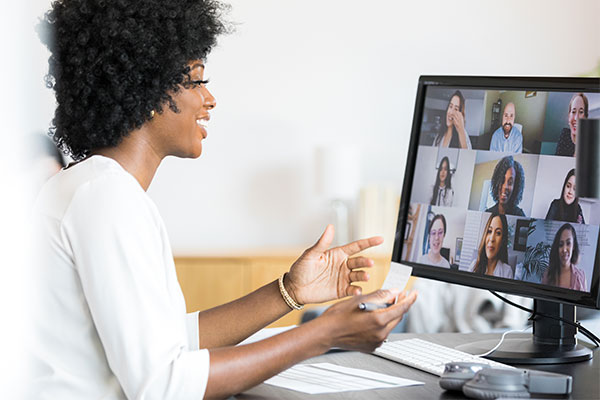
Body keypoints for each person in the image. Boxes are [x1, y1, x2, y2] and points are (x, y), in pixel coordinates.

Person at [30, 1, 418, 399]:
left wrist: (289, 291)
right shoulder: (107, 200)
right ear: (148, 89)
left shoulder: (93, 189)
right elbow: (164, 384)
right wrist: (322, 333)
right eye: (197, 81)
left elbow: (169, 341)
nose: (209, 99)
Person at [542, 223, 587, 291]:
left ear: (573, 246)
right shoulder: (548, 274)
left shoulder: (581, 276)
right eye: (561, 244)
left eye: (568, 243)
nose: (564, 249)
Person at [469, 213, 514, 278]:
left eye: (498, 233)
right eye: (489, 231)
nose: (492, 239)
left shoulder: (507, 271)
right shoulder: (474, 265)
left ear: (502, 240)